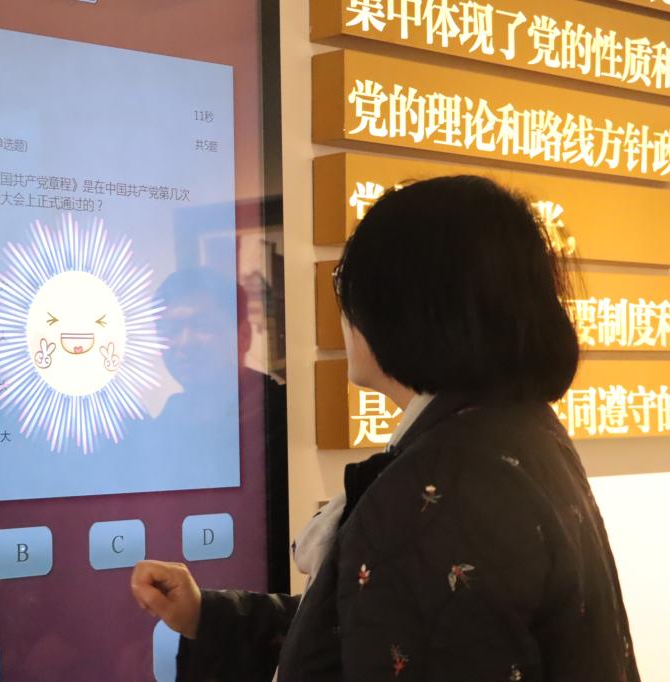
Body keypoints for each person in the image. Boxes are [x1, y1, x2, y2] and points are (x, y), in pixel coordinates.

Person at [130, 176, 640, 682]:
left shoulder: (442, 489)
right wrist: (209, 615)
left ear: (403, 305)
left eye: (349, 285)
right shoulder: (510, 432)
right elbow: (376, 622)